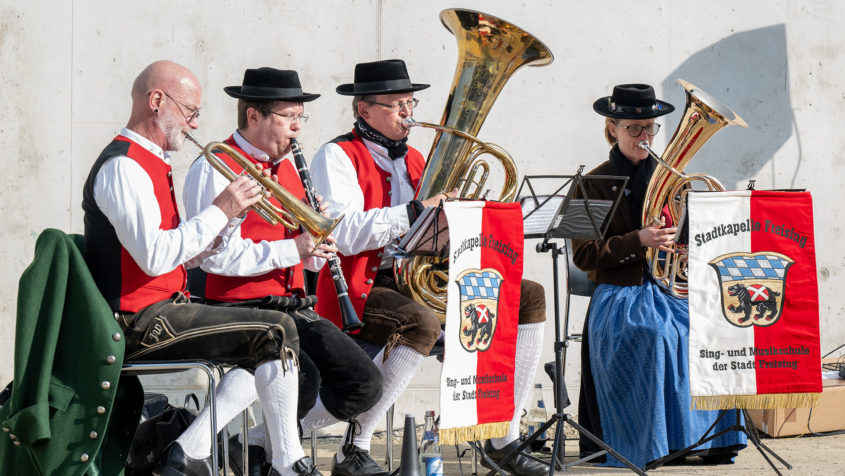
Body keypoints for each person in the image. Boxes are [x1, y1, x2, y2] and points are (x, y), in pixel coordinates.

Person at [309, 59, 549, 476]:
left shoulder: (419, 158)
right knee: (420, 322)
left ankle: (502, 435)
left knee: (527, 294)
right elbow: (343, 234)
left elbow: (434, 229)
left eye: (410, 102)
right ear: (364, 110)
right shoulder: (336, 156)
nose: (409, 113)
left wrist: (467, 217)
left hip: (418, 276)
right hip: (362, 282)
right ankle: (356, 447)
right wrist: (416, 211)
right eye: (397, 105)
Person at [81, 60, 319, 476]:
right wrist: (221, 208)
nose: (194, 123)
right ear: (157, 102)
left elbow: (170, 255)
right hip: (137, 320)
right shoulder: (123, 166)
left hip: (163, 305)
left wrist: (224, 227)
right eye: (189, 110)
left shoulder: (151, 162)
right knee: (276, 330)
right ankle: (288, 463)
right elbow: (154, 257)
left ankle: (191, 451)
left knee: (267, 330)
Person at [181, 67, 384, 474]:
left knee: (364, 382)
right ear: (253, 116)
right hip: (235, 306)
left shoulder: (290, 165)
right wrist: (294, 247)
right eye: (288, 117)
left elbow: (302, 258)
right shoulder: (216, 166)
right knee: (303, 376)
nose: (296, 128)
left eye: (299, 118)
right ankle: (276, 460)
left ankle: (253, 445)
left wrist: (314, 243)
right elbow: (212, 257)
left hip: (290, 304)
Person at [572, 83, 747, 468]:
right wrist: (639, 239)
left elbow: (693, 241)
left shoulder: (673, 179)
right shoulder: (591, 183)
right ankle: (645, 441)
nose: (644, 136)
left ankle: (702, 441)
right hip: (621, 293)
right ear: (612, 129)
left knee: (715, 326)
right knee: (655, 335)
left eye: (650, 127)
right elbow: (584, 255)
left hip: (671, 290)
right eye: (634, 128)